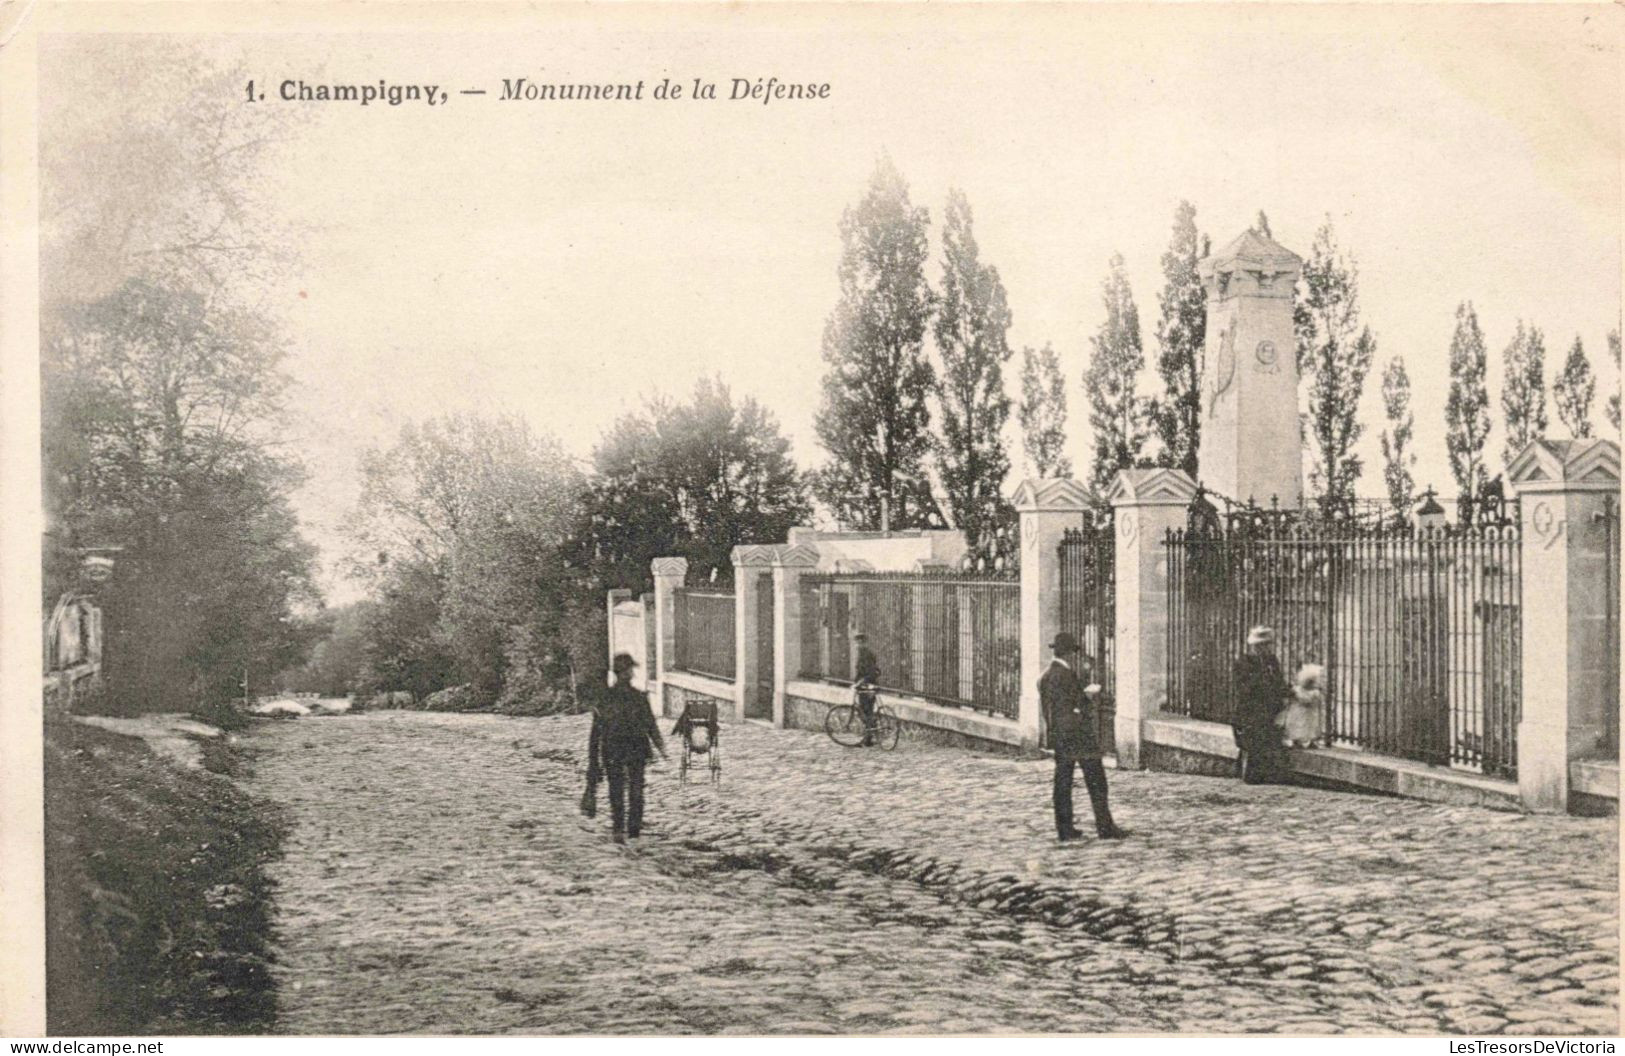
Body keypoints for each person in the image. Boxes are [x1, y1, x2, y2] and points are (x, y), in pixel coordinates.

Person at [1039, 632, 1128, 841]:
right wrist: (1088, 695)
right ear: (1069, 653)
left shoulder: (1046, 676)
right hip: (1079, 736)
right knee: (1097, 781)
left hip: (1060, 737)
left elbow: (1050, 709)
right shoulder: (1066, 675)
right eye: (1074, 652)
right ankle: (1105, 827)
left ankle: (1065, 829)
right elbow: (1077, 704)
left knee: (1062, 782)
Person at [585, 653, 668, 843]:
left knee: (617, 788)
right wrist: (660, 746)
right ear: (624, 673)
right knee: (635, 788)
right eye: (630, 669)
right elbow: (650, 724)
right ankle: (633, 829)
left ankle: (619, 828)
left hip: (613, 749)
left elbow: (596, 732)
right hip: (634, 749)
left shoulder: (605, 698)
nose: (631, 673)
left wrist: (594, 755)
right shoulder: (637, 697)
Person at [1233, 626, 1292, 783]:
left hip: (1269, 707)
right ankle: (1249, 773)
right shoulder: (1244, 662)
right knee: (1253, 741)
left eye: (1267, 644)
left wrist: (1288, 691)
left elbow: (1279, 681)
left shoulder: (1271, 661)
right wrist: (1265, 683)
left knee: (1268, 740)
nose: (1265, 648)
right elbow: (1245, 687)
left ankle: (1264, 773)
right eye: (1261, 645)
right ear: (1253, 646)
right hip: (1251, 709)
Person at [853, 631, 880, 747]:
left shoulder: (867, 654)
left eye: (861, 642)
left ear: (865, 643)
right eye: (857, 642)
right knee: (864, 711)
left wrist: (862, 681)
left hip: (869, 685)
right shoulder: (861, 654)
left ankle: (868, 738)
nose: (859, 645)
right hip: (864, 686)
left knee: (866, 711)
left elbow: (871, 672)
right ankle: (869, 736)